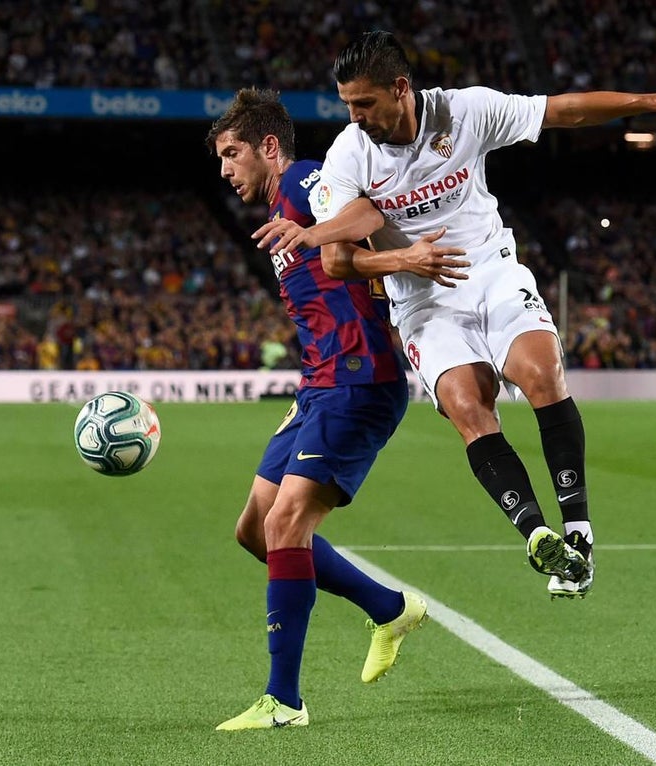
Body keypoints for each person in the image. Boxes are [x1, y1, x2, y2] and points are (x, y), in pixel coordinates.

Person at [297, 30, 656, 599]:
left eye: (363, 103)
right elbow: (338, 260)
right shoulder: (348, 156)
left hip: (489, 266)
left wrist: (654, 103)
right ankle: (539, 535)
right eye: (347, 105)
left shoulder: (465, 111)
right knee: (468, 405)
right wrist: (404, 258)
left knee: (541, 373)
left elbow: (561, 110)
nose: (355, 116)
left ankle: (579, 530)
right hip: (422, 297)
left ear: (400, 88)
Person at [204, 88, 435, 731]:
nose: (225, 169)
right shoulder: (279, 203)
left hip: (359, 380)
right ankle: (388, 607)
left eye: (233, 153)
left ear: (268, 147)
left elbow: (363, 215)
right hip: (317, 387)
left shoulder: (306, 181)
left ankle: (285, 699)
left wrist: (317, 230)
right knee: (254, 529)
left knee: (285, 526)